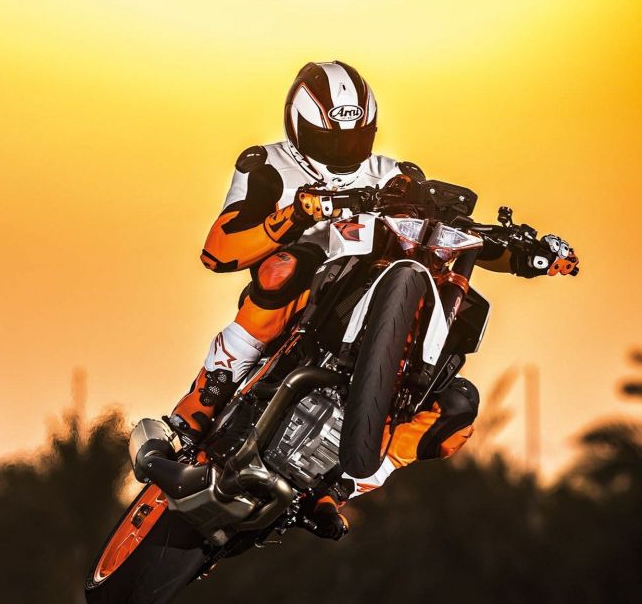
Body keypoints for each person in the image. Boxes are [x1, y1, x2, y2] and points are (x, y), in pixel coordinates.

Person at [164, 61, 579, 539]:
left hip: (376, 290)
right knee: (283, 270)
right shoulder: (268, 165)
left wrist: (531, 255)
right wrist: (292, 216)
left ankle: (346, 484)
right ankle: (206, 395)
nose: (343, 150)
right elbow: (218, 252)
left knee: (460, 406)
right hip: (309, 292)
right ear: (299, 126)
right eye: (330, 140)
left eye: (354, 139)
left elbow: (457, 232)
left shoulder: (394, 174)